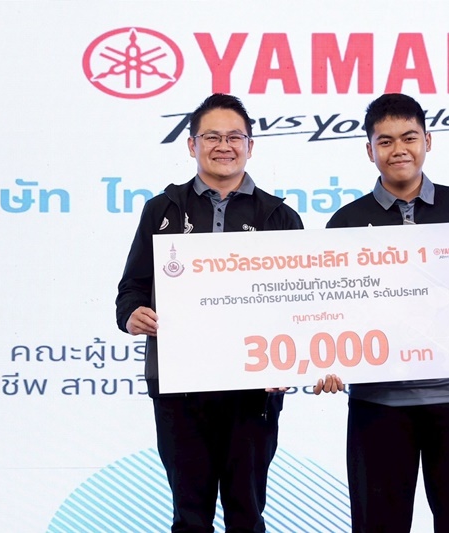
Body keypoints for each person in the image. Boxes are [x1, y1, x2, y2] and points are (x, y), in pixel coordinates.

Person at [315, 93, 449, 533]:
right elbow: (329, 306)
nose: (398, 149)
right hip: (379, 402)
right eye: (384, 141)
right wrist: (327, 358)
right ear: (369, 150)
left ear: (428, 141)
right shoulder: (347, 221)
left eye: (409, 137)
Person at [115, 93, 303, 533]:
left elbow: (298, 305)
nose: (224, 146)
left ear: (250, 146)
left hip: (253, 389)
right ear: (191, 145)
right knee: (190, 517)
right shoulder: (162, 210)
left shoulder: (278, 216)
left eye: (234, 137)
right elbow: (132, 288)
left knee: (246, 515)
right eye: (212, 137)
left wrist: (292, 360)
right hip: (180, 386)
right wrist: (132, 314)